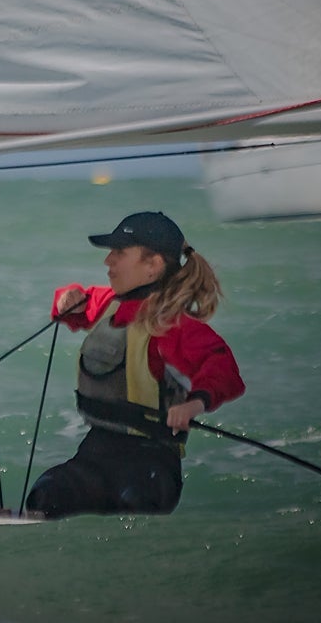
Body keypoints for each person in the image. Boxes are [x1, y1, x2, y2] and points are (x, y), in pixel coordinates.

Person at [26, 211, 244, 519]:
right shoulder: (110, 304)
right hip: (96, 451)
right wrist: (67, 299)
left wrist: (195, 404)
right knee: (47, 494)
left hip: (151, 463)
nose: (108, 262)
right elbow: (77, 303)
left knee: (132, 503)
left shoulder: (174, 326)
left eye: (119, 253)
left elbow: (223, 368)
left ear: (153, 266)